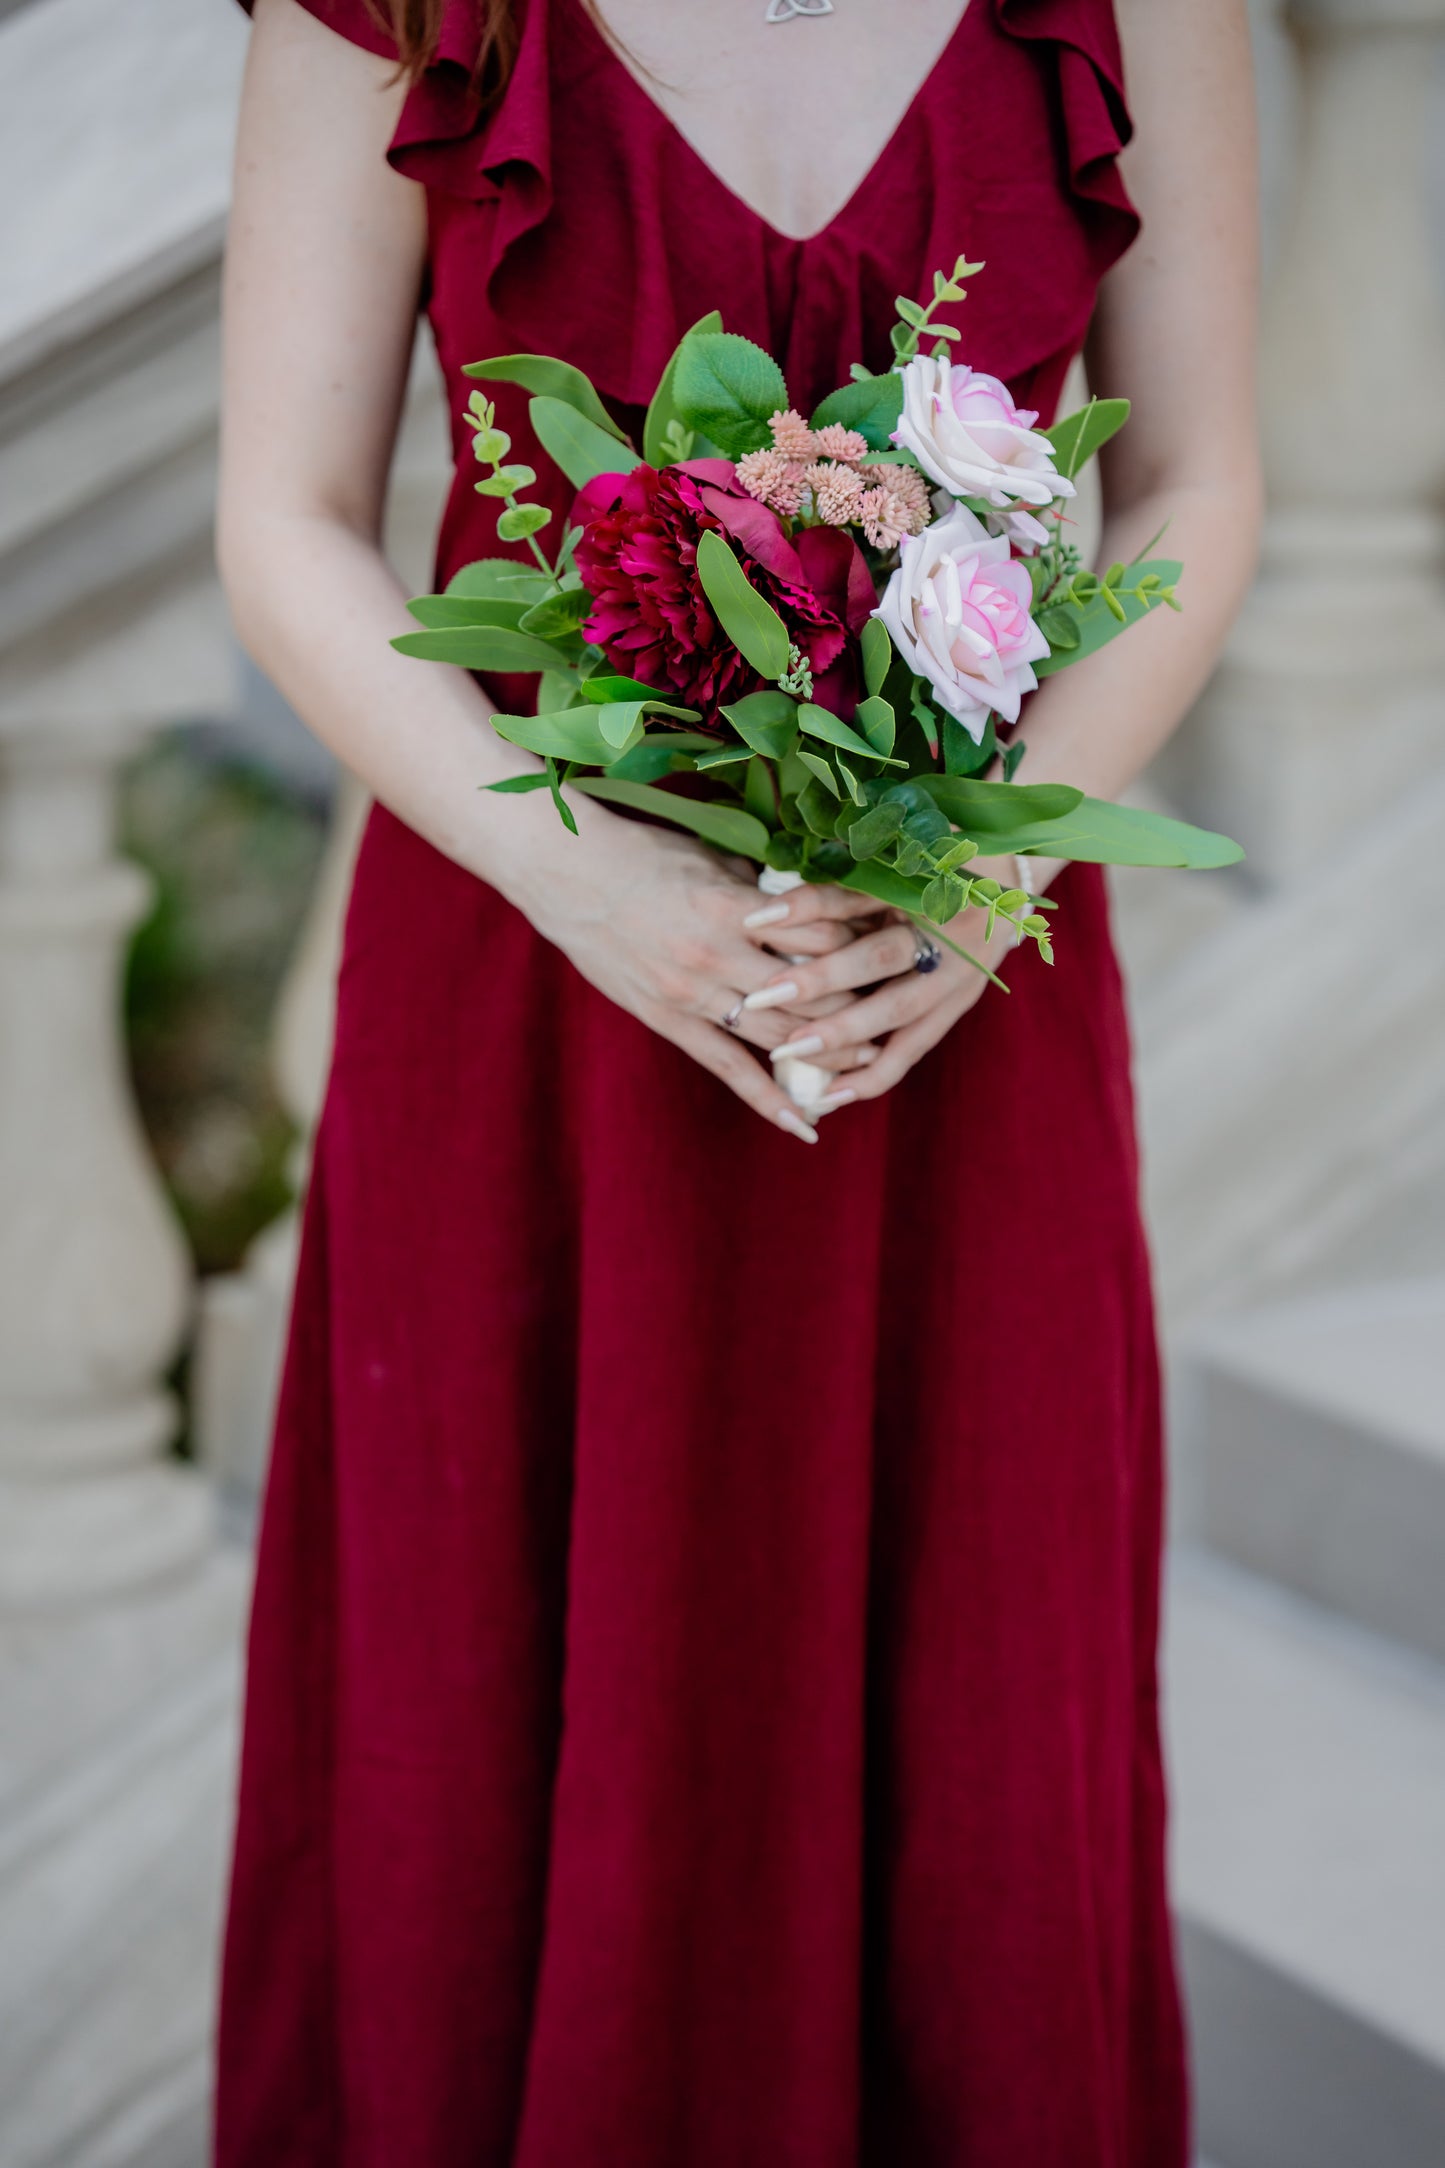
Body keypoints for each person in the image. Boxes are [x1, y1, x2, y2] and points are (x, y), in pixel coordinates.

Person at [214, 1, 1261, 2161]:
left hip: (948, 990)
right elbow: (282, 519)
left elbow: (1198, 480)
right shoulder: (387, 15)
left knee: (982, 1737)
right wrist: (572, 877)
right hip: (528, 976)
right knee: (483, 1720)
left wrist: (975, 884)